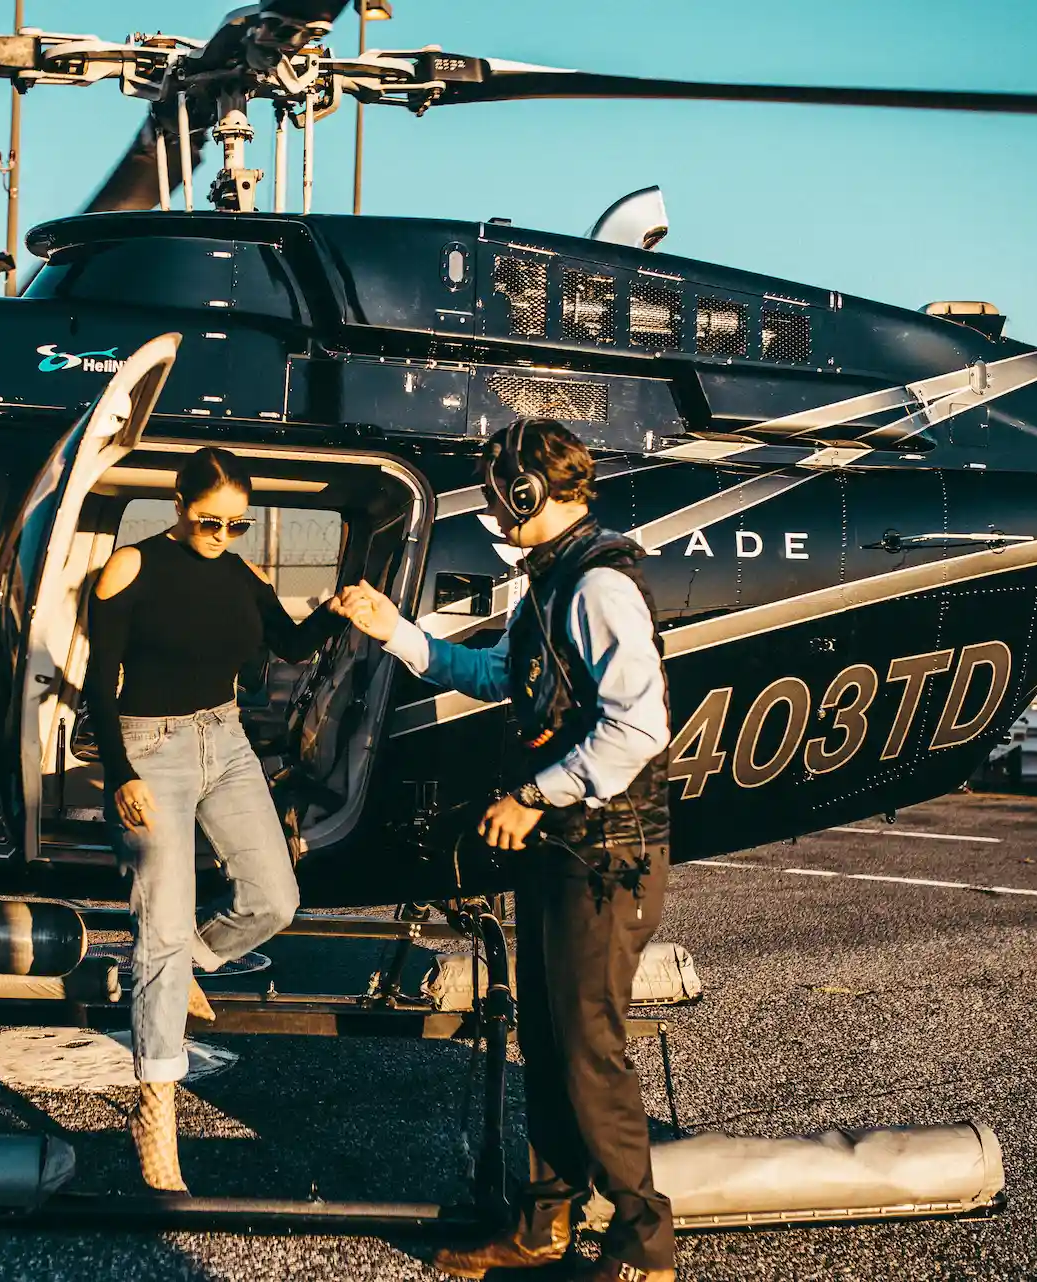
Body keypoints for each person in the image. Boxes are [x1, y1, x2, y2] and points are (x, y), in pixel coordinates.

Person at [336, 418, 676, 1281]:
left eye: (499, 493)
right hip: (569, 850)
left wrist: (530, 795)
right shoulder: (552, 587)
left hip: (605, 853)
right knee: (549, 1040)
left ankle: (643, 1242)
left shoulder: (597, 586)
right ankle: (545, 1222)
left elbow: (638, 727)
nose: (492, 509)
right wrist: (396, 632)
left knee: (587, 1047)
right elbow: (501, 678)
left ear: (529, 491)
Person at [86, 446, 349, 1193]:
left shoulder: (241, 572)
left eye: (237, 524)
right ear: (179, 504)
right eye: (210, 521)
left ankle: (194, 960)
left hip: (225, 739)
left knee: (275, 896)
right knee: (158, 929)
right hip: (149, 747)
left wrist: (338, 608)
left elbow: (291, 644)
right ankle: (154, 1109)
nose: (222, 535)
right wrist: (119, 776)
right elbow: (98, 686)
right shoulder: (130, 569)